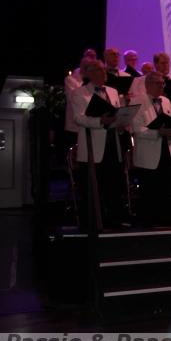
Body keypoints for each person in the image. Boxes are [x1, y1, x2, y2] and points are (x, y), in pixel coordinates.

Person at [71, 59, 124, 229]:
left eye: (103, 70)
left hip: (112, 142)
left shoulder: (113, 91)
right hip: (92, 145)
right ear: (89, 73)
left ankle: (114, 221)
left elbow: (117, 114)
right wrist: (100, 120)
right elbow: (78, 118)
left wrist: (122, 122)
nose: (103, 73)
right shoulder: (79, 93)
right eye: (99, 70)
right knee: (92, 187)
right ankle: (92, 223)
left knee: (113, 185)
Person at [131, 72, 171, 225]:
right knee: (150, 187)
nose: (161, 86)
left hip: (166, 148)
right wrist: (158, 132)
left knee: (166, 186)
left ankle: (166, 219)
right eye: (158, 83)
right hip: (148, 151)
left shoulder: (166, 101)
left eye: (162, 83)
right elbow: (137, 129)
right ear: (148, 85)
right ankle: (149, 221)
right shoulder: (137, 101)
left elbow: (170, 124)